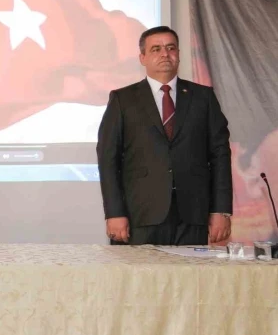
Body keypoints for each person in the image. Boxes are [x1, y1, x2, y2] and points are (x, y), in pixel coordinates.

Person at [97, 26, 232, 245]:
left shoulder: (203, 97)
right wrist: (114, 213)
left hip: (193, 215)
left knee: (189, 270)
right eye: (156, 49)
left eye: (171, 48)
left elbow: (220, 155)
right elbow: (108, 159)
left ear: (178, 54)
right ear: (142, 57)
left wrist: (221, 210)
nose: (165, 54)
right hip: (139, 216)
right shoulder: (123, 100)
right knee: (139, 270)